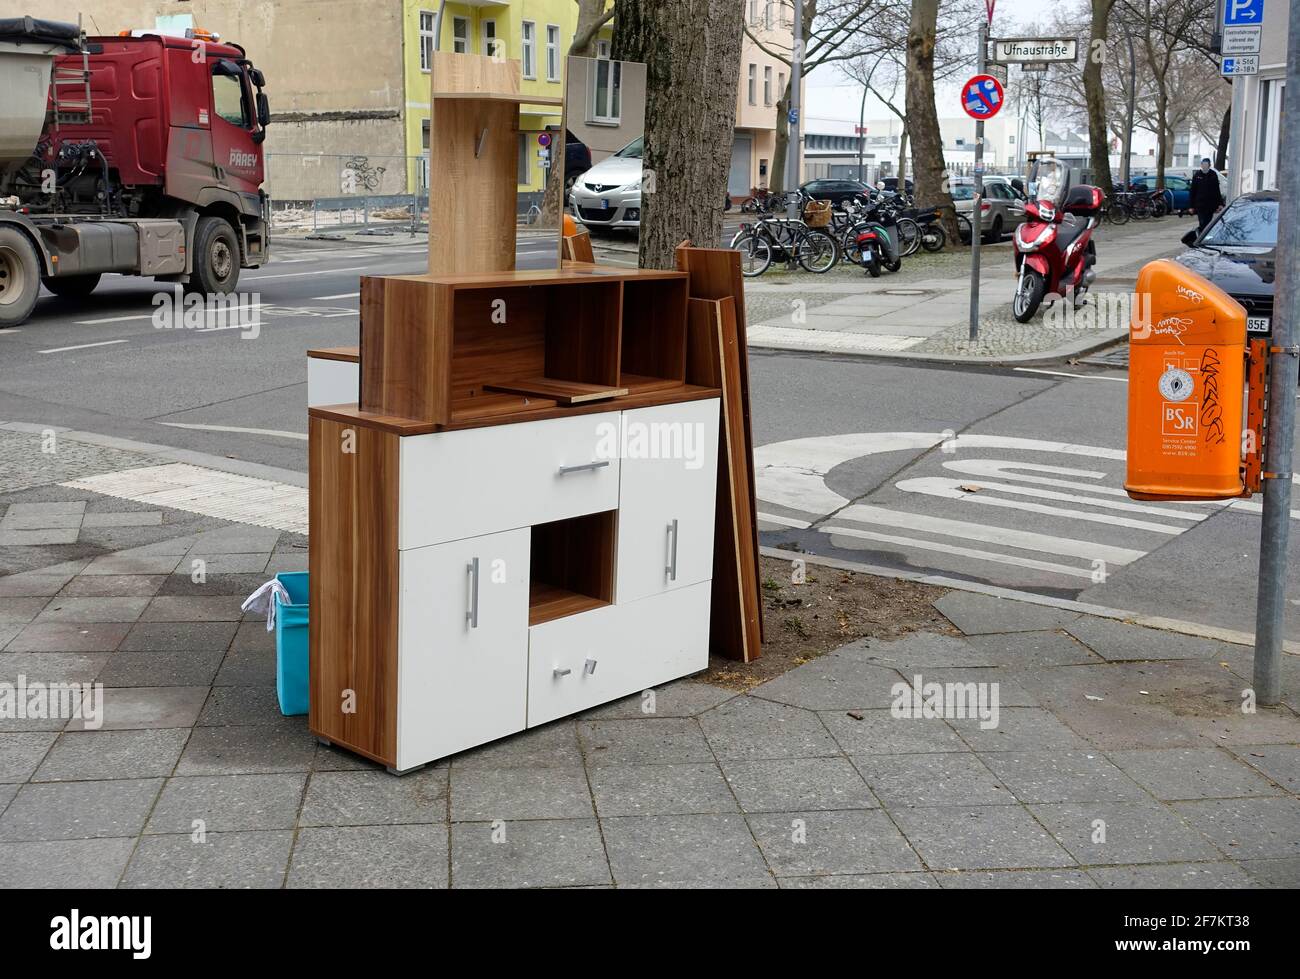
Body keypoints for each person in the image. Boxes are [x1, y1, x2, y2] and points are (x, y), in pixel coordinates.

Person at [1190, 158, 1225, 233]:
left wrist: (1220, 203)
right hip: (1200, 204)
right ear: (1201, 165)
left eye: (1206, 165)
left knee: (1208, 222)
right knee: (1202, 222)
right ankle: (1201, 235)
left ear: (1209, 165)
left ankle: (1204, 235)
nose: (1204, 166)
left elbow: (1217, 190)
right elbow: (1193, 191)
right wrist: (1191, 206)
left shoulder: (1213, 174)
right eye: (1203, 164)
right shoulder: (1197, 175)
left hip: (1210, 205)